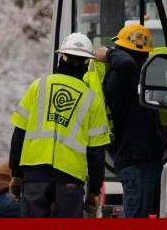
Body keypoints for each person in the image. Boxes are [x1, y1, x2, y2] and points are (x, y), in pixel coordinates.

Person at [9, 33, 111, 218]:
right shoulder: (92, 100)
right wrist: (94, 190)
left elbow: (18, 135)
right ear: (87, 63)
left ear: (61, 56)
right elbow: (96, 152)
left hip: (34, 177)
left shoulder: (37, 87)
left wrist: (16, 173)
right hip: (70, 180)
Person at [98, 24, 164, 218]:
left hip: (141, 160)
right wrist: (109, 53)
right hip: (136, 162)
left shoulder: (135, 77)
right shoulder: (121, 77)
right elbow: (125, 63)